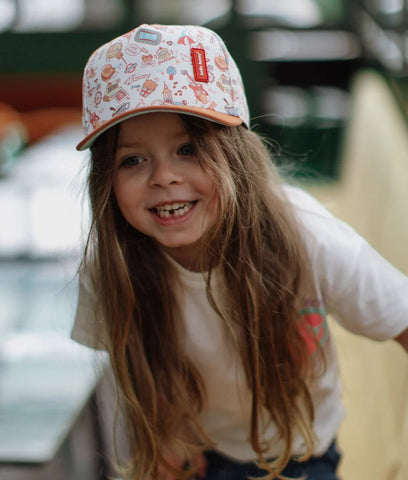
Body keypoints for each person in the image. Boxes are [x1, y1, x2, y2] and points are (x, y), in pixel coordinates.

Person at [72, 23, 408, 480]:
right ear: (105, 182)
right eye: (133, 159)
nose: (164, 177)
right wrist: (165, 433)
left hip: (300, 454)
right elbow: (131, 360)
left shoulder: (306, 235)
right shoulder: (112, 264)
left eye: (188, 148)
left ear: (236, 155)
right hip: (203, 455)